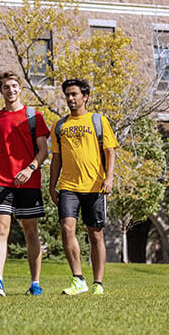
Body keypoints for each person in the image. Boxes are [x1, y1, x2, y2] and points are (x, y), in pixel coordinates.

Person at [0, 71, 50, 297]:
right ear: (0, 91)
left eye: (13, 86)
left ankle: (35, 283)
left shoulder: (33, 116)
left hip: (28, 182)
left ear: (20, 88)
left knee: (30, 232)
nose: (10, 90)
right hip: (1, 182)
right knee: (0, 230)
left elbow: (43, 150)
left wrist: (30, 169)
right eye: (5, 87)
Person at [50, 79, 118, 295]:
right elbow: (56, 159)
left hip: (95, 185)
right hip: (69, 186)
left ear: (85, 96)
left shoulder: (98, 121)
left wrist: (109, 179)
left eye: (74, 94)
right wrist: (52, 185)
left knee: (95, 234)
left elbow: (110, 152)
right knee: (67, 228)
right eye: (67, 95)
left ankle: (98, 282)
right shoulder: (59, 126)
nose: (70, 98)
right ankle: (78, 278)